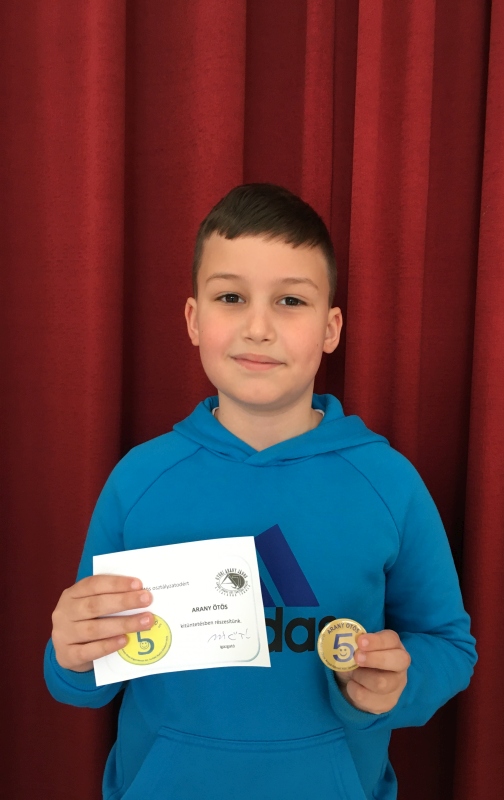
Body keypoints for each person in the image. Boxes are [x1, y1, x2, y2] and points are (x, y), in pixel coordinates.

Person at [45, 183, 477, 800]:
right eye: (231, 297)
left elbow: (449, 647)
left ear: (330, 328)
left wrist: (395, 683)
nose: (258, 327)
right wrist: (71, 654)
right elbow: (85, 674)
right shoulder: (138, 480)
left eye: (290, 301)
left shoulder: (389, 483)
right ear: (194, 319)